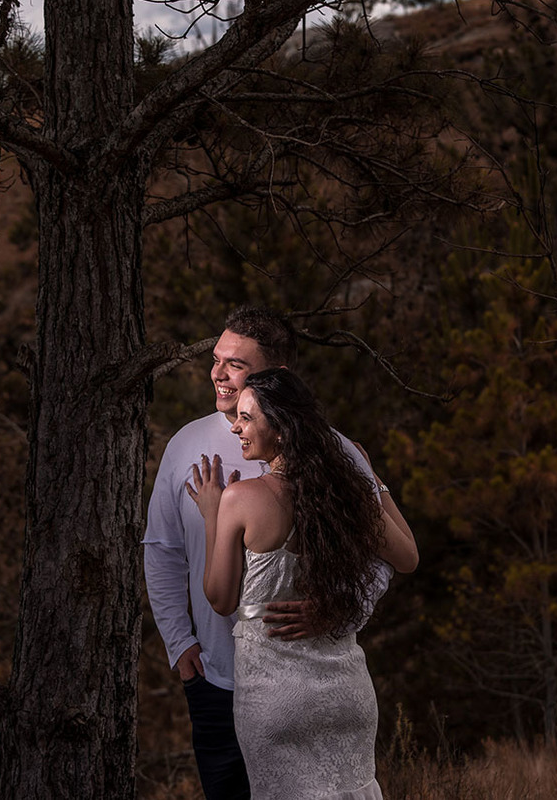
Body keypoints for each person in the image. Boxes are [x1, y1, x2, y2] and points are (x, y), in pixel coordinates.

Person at [142, 306, 387, 799]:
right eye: (216, 359)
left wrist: (341, 610)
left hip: (311, 678)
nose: (217, 373)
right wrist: (178, 641)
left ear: (278, 376)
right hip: (217, 679)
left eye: (235, 363)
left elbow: (379, 556)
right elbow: (162, 549)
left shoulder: (331, 450)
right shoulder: (185, 445)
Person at [186, 368, 418, 799]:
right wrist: (371, 478)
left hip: (275, 701)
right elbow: (408, 557)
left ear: (280, 426)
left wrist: (211, 513)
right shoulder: (346, 494)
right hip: (347, 696)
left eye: (246, 417)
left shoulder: (241, 499)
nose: (235, 426)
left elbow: (219, 599)